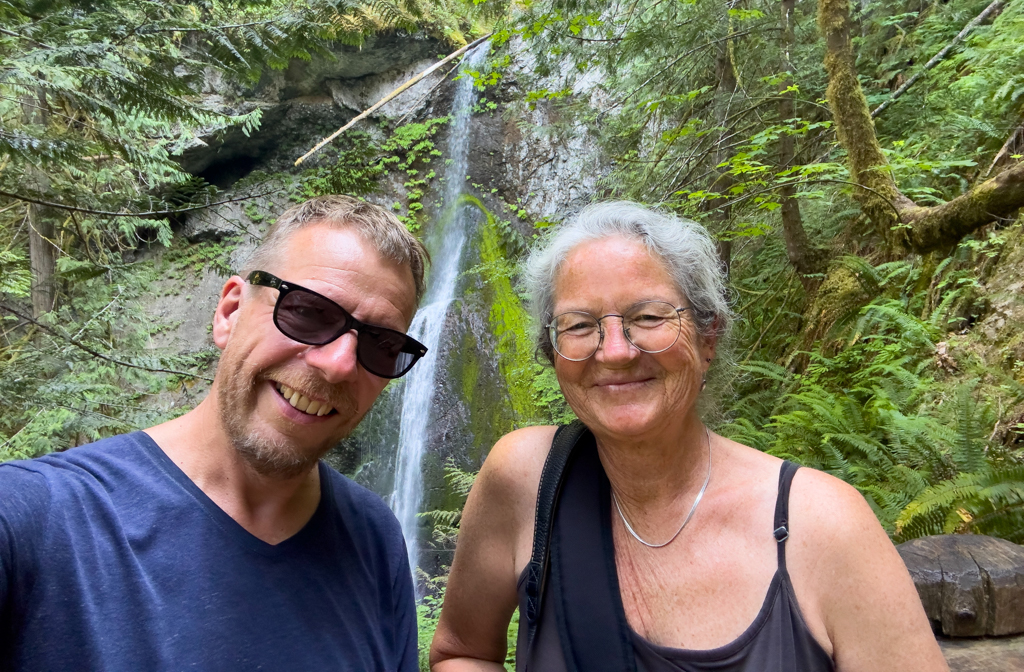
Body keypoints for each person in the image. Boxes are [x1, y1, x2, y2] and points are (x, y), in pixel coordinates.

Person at [429, 201, 949, 672]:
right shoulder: (523, 479)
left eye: (648, 317)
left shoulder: (825, 525)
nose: (614, 351)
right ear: (554, 352)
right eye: (580, 325)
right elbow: (462, 652)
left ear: (708, 337)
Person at [0, 195, 430, 672]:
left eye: (382, 344)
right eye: (308, 312)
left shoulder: (374, 539)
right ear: (229, 311)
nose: (338, 365)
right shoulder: (32, 518)